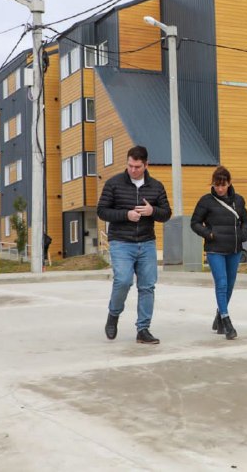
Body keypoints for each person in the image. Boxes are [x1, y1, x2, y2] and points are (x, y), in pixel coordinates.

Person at [97, 145, 172, 344]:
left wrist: (152, 211)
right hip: (121, 242)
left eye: (137, 167)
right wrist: (125, 215)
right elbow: (102, 211)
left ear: (146, 165)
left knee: (147, 286)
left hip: (146, 243)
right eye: (130, 165)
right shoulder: (114, 184)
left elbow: (166, 213)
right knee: (123, 281)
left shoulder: (156, 186)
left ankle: (143, 329)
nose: (132, 170)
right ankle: (113, 315)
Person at [190, 166, 247, 339]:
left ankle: (219, 315)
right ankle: (226, 320)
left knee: (230, 285)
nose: (220, 188)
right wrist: (208, 234)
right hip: (215, 249)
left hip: (234, 248)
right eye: (217, 185)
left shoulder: (239, 200)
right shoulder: (206, 201)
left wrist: (243, 234)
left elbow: (245, 220)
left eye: (223, 185)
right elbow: (194, 223)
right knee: (221, 283)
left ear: (229, 183)